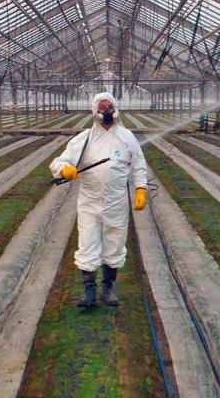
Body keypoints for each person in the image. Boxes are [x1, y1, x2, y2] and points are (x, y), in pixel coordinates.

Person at [50, 92, 147, 308]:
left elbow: (138, 164)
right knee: (87, 244)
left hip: (117, 203)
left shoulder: (126, 137)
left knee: (114, 243)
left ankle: (109, 288)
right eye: (102, 107)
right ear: (95, 111)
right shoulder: (84, 139)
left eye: (109, 106)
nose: (107, 111)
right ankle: (89, 291)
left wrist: (141, 188)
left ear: (116, 109)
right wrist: (65, 169)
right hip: (89, 202)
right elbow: (59, 161)